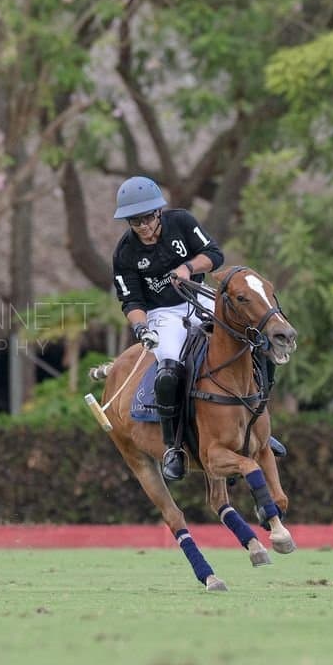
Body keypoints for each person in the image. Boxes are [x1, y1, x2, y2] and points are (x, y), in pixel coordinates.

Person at [110, 176, 224, 481]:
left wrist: (188, 268)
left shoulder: (182, 222)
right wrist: (141, 328)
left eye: (148, 218)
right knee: (169, 369)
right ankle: (174, 447)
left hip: (197, 296)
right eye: (136, 222)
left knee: (244, 338)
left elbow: (214, 254)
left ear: (159, 212)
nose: (144, 226)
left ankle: (259, 425)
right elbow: (131, 300)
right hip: (162, 313)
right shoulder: (125, 253)